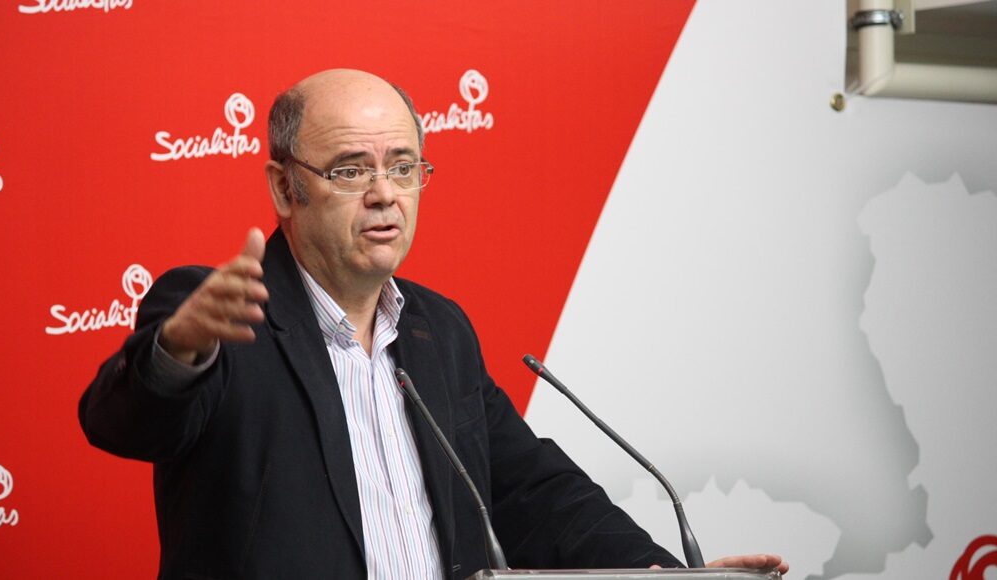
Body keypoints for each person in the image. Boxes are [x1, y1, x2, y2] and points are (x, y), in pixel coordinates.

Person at [79, 69, 788, 579]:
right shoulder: (220, 314)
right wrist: (178, 351)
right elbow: (122, 423)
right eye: (350, 170)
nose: (384, 194)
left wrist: (661, 575)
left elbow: (531, 491)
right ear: (284, 188)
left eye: (403, 167)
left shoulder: (437, 331)